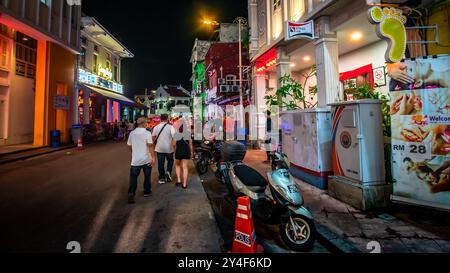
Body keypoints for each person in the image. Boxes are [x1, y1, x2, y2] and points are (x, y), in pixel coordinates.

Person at [127, 117, 156, 204]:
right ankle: (147, 191)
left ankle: (131, 193)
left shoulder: (132, 133)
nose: (147, 124)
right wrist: (153, 157)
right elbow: (150, 146)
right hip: (146, 159)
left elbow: (129, 145)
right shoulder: (147, 133)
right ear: (143, 123)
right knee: (147, 176)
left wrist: (134, 151)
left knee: (133, 177)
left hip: (135, 160)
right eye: (146, 122)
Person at [152, 114, 176, 184]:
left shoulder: (156, 127)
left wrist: (153, 145)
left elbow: (153, 138)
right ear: (167, 119)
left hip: (159, 148)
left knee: (160, 163)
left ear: (160, 119)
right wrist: (174, 146)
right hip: (169, 148)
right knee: (170, 161)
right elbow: (175, 137)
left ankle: (162, 178)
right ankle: (168, 172)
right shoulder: (171, 127)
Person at [173, 117, 194, 189]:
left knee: (177, 165)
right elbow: (190, 144)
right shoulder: (188, 133)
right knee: (185, 167)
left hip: (178, 151)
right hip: (186, 151)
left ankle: (179, 180)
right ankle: (184, 184)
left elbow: (173, 144)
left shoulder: (177, 134)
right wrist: (191, 152)